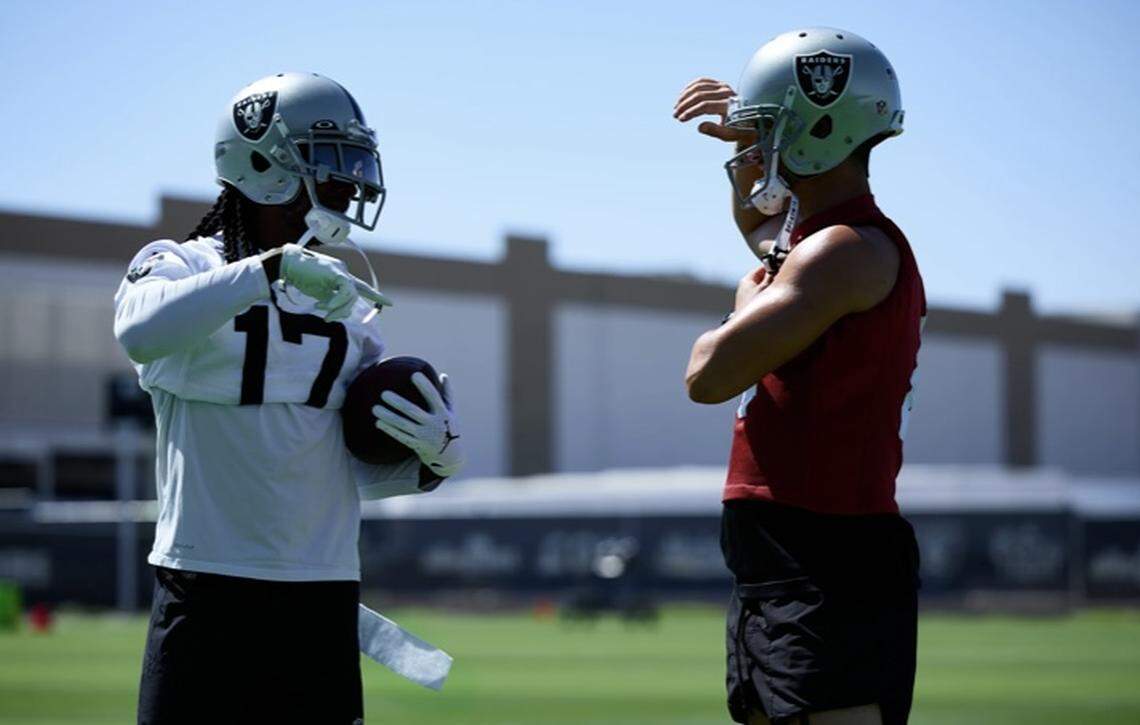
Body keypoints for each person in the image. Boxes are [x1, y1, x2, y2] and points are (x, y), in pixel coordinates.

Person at [114, 72, 465, 724]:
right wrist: (266, 271)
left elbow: (329, 465)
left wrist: (437, 458)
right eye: (331, 164)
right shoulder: (185, 266)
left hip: (319, 591)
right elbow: (137, 330)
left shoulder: (344, 298)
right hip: (207, 584)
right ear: (262, 162)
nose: (351, 183)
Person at [675, 28, 924, 725]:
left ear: (813, 127)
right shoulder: (823, 246)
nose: (752, 150)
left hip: (827, 555)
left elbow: (709, 373)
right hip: (786, 556)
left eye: (765, 128)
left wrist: (746, 294)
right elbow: (767, 242)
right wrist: (749, 162)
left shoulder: (843, 250)